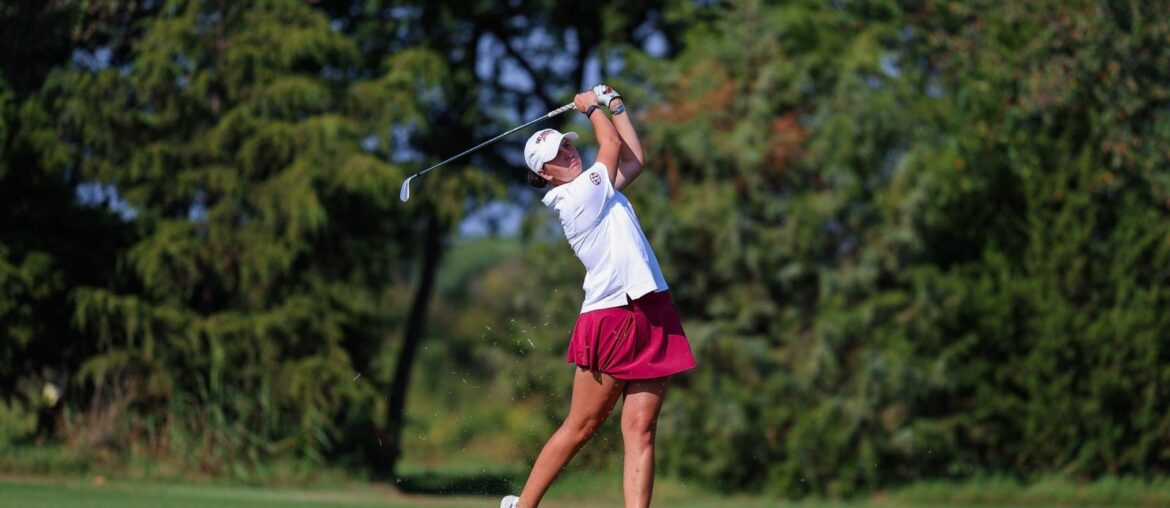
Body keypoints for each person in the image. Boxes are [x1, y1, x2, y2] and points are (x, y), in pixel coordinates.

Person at [500, 85, 697, 508]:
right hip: (611, 318)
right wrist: (591, 107)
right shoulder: (575, 195)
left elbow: (634, 159)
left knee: (641, 429)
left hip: (651, 309)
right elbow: (609, 144)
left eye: (567, 147)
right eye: (557, 155)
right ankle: (524, 505)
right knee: (582, 425)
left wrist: (615, 104)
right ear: (545, 173)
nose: (569, 154)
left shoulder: (600, 188)